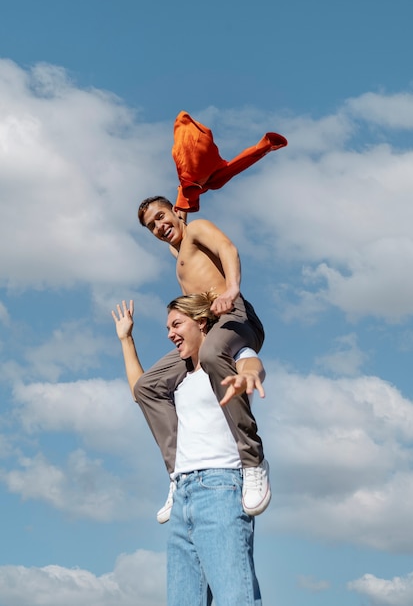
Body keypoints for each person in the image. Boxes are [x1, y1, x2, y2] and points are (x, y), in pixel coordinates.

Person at [112, 293, 265, 606]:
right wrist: (126, 339)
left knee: (234, 598)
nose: (170, 334)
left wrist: (249, 375)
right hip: (182, 495)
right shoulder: (178, 379)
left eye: (177, 324)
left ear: (202, 323)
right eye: (168, 328)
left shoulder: (226, 361)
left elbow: (251, 362)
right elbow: (140, 392)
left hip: (221, 487)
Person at [136, 195, 270, 522]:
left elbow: (227, 248)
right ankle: (176, 471)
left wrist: (232, 289)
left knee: (211, 353)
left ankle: (252, 460)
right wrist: (182, 201)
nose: (158, 226)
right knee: (147, 387)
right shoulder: (179, 250)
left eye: (161, 217)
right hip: (205, 328)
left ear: (174, 212)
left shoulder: (196, 229)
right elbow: (177, 222)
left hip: (234, 317)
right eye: (151, 225)